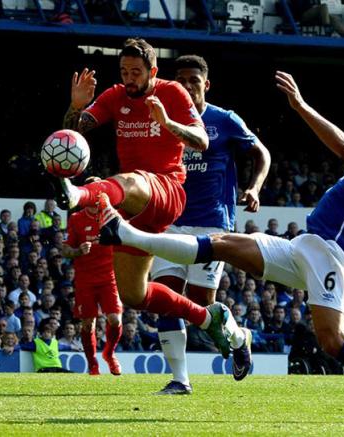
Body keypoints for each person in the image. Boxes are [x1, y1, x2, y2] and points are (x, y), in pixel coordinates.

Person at [97, 71, 344, 423]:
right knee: (222, 244)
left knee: (332, 342)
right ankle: (128, 235)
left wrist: (301, 106)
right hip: (305, 246)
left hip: (333, 256)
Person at [53, 38, 237, 377]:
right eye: (124, 71)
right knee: (134, 294)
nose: (129, 78)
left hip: (166, 190)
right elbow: (72, 136)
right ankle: (208, 318)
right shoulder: (114, 96)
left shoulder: (173, 94)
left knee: (129, 180)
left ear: (153, 71)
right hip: (131, 208)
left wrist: (167, 122)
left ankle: (80, 195)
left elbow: (203, 140)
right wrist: (76, 106)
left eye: (136, 72)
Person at [149, 55, 271, 394]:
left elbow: (262, 152)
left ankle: (239, 336)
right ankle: (180, 380)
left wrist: (255, 187)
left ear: (206, 83)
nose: (187, 86)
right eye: (181, 80)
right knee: (166, 299)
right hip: (170, 221)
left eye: (194, 80)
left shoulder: (223, 120)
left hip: (211, 224)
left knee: (202, 307)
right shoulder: (164, 120)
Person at [62, 205, 124, 376]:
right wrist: (78, 251)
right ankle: (92, 363)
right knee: (88, 324)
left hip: (109, 278)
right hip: (85, 280)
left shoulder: (112, 215)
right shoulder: (76, 218)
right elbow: (65, 250)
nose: (98, 201)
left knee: (115, 320)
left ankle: (109, 354)